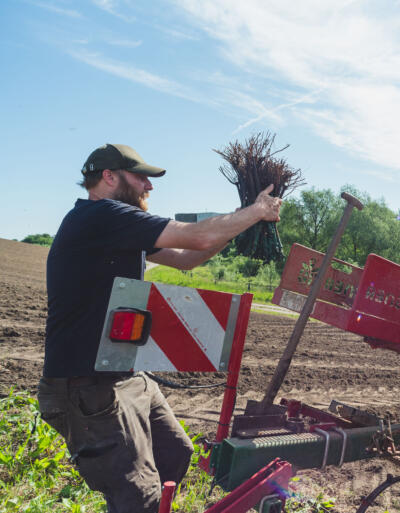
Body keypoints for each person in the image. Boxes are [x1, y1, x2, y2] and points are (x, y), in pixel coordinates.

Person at [37, 143, 282, 513]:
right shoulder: (100, 215)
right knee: (140, 499)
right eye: (140, 178)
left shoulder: (115, 227)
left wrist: (243, 221)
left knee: (175, 454)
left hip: (125, 377)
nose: (148, 187)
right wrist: (255, 210)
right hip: (84, 385)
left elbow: (189, 258)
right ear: (109, 177)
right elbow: (197, 236)